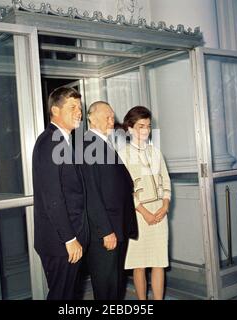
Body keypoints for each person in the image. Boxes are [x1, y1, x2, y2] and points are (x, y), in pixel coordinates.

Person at [32, 87, 89, 300]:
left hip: (66, 240)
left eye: (80, 108)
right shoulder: (51, 141)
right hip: (61, 242)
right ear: (55, 110)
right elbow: (52, 197)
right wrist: (69, 238)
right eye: (72, 107)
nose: (79, 113)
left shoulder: (62, 140)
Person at [81, 101, 138, 300]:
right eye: (107, 116)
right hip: (106, 232)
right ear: (92, 118)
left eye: (113, 116)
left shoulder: (103, 143)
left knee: (115, 284)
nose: (112, 121)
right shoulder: (87, 145)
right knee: (106, 287)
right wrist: (106, 231)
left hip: (116, 227)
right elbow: (91, 195)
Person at [118, 106, 171, 300]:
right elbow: (124, 190)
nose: (146, 130)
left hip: (160, 213)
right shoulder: (122, 155)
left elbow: (166, 181)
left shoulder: (155, 152)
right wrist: (144, 212)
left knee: (159, 262)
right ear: (130, 128)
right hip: (138, 216)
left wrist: (165, 206)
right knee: (138, 264)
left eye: (148, 126)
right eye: (141, 126)